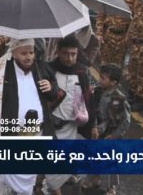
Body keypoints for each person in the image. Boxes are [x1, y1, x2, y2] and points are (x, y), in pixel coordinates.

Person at [0, 38, 59, 194]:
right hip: (9, 134)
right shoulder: (0, 71)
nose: (29, 57)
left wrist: (51, 88)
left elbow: (54, 95)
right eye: (23, 53)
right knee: (1, 179)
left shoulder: (41, 68)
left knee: (29, 178)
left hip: (36, 134)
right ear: (13, 53)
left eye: (31, 52)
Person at [46, 35, 95, 194]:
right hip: (50, 127)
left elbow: (89, 100)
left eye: (73, 54)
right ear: (58, 52)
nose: (69, 58)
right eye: (66, 53)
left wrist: (93, 125)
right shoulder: (49, 70)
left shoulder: (82, 73)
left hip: (71, 128)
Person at [83, 64, 131, 194]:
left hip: (112, 133)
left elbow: (125, 121)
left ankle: (111, 187)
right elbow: (93, 109)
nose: (100, 80)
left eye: (103, 79)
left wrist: (115, 135)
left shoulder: (120, 99)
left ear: (114, 82)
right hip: (98, 130)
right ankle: (94, 178)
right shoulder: (98, 92)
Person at [96, 0, 139, 66]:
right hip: (108, 36)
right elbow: (100, 16)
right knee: (104, 66)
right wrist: (99, 33)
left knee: (118, 67)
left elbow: (135, 18)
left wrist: (128, 36)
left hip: (122, 37)